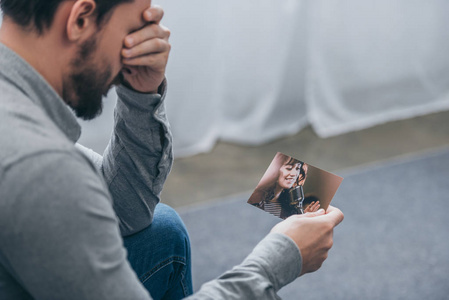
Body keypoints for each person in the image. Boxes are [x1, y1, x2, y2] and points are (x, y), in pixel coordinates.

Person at [0, 0, 344, 299]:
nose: (134, 49)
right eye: (134, 28)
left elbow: (123, 210)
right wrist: (276, 263)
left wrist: (140, 94)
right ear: (80, 19)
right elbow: (57, 184)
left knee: (161, 232)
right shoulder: (40, 167)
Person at [249, 154, 319, 219]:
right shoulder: (256, 197)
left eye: (297, 169)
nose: (294, 174)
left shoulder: (290, 206)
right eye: (289, 168)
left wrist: (303, 217)